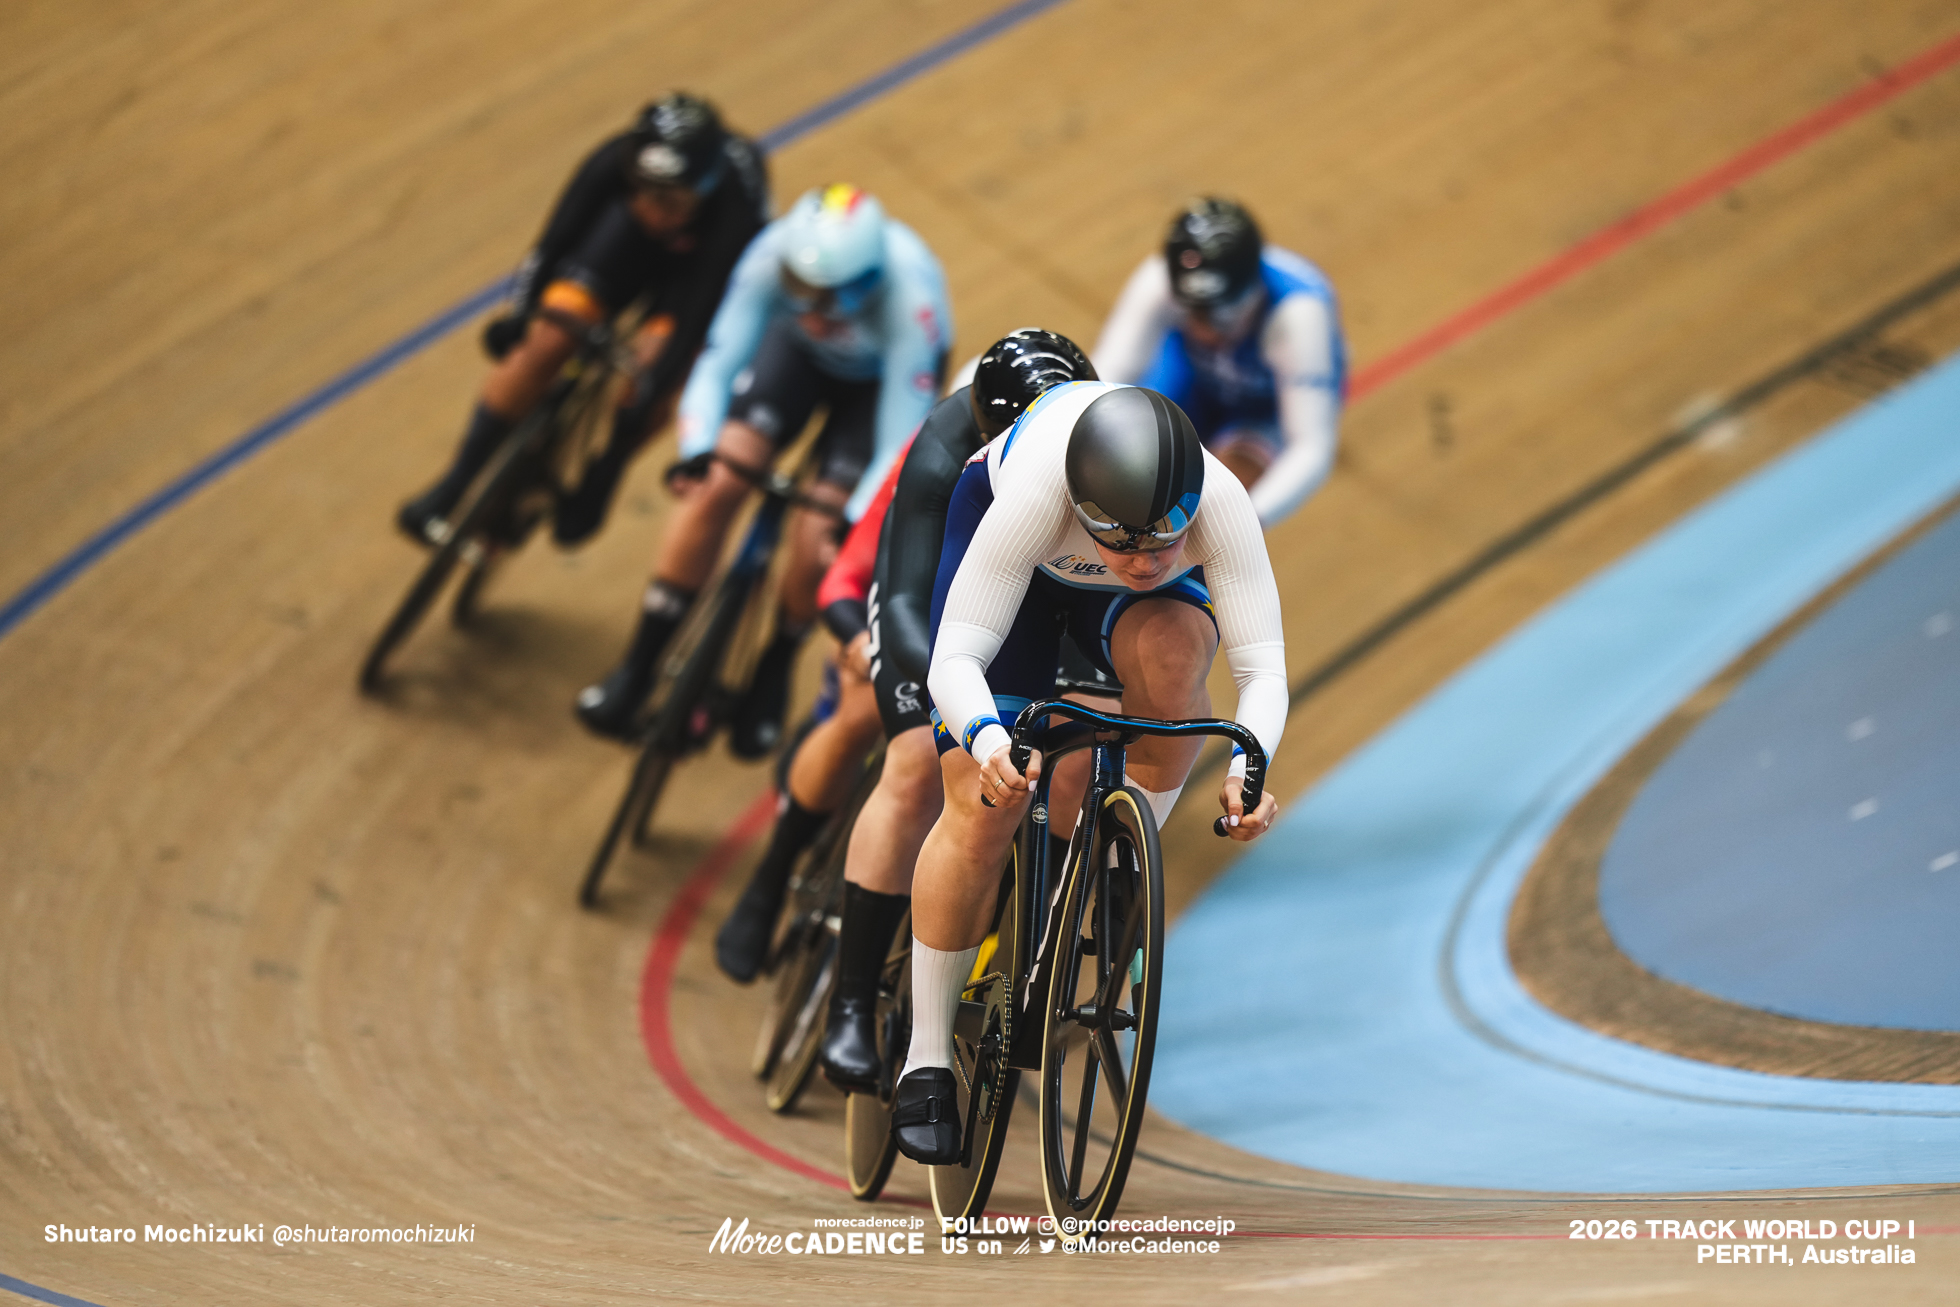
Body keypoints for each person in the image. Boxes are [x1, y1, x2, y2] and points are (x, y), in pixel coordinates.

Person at [889, 381, 1288, 1164]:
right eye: (1125, 545)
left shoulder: (1222, 499)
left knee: (1178, 661)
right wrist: (987, 740)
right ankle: (926, 1054)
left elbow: (1262, 668)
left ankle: (1117, 850)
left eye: (1164, 542)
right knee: (978, 805)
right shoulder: (1037, 490)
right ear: (1083, 506)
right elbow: (956, 658)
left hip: (1111, 596)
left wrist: (1250, 764)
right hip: (1027, 575)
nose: (1144, 561)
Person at [709, 331, 1097, 1001]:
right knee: (888, 727)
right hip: (916, 605)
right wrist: (857, 637)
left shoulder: (1090, 461)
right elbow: (856, 572)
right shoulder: (940, 453)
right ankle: (773, 874)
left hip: (1012, 609)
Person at [575, 184, 952, 758]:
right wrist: (697, 448)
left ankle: (774, 662)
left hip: (878, 389)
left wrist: (851, 519)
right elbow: (719, 359)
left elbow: (899, 440)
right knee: (720, 481)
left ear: (867, 283)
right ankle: (637, 666)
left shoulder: (910, 304)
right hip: (794, 359)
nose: (810, 306)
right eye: (799, 290)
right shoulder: (770, 258)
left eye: (826, 296)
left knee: (815, 539)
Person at [397, 93, 768, 548]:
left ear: (704, 191)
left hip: (694, 273)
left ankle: (605, 471)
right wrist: (519, 315)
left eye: (672, 202)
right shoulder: (612, 161)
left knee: (653, 375)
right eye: (646, 193)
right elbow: (549, 248)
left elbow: (695, 321)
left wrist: (654, 388)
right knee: (550, 336)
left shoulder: (734, 215)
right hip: (627, 243)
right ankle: (453, 485)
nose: (655, 211)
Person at [1092, 197, 1345, 529]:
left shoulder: (1298, 317)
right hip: (1192, 375)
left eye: (1218, 314)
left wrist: (1245, 525)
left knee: (1219, 502)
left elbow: (1311, 448)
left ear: (1251, 293)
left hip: (1265, 406)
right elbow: (1105, 378)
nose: (1203, 328)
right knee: (1128, 453)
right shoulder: (1157, 280)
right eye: (1192, 311)